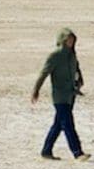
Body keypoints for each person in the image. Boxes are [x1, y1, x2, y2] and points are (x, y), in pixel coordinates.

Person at [33, 28, 88, 159]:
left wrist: (80, 80)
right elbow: (43, 73)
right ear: (62, 40)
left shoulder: (72, 55)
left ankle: (46, 151)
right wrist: (36, 90)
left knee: (58, 125)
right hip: (60, 96)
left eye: (72, 40)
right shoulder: (55, 56)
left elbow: (77, 69)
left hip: (70, 95)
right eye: (68, 39)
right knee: (68, 124)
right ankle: (77, 153)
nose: (71, 42)